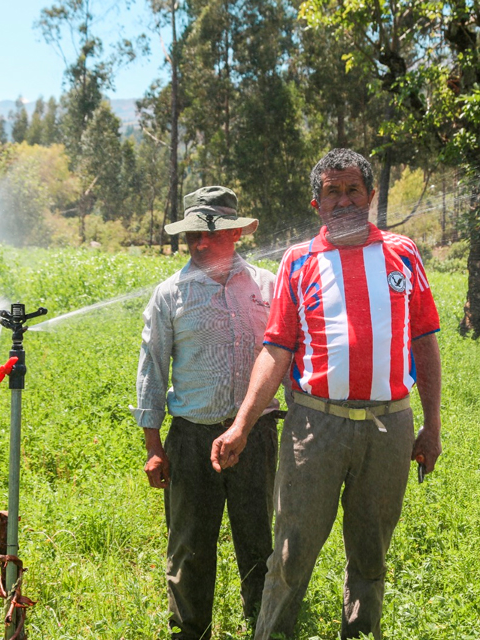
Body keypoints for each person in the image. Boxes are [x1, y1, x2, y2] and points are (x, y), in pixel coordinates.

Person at [210, 149, 443, 640]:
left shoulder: (403, 254)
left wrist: (432, 424)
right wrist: (241, 425)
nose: (343, 201)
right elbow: (275, 350)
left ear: (371, 196)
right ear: (316, 202)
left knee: (370, 558)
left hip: (389, 428)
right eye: (332, 192)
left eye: (353, 190)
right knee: (291, 556)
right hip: (314, 428)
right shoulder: (299, 261)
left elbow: (424, 341)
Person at [132, 186, 281, 640]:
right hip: (193, 438)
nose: (198, 243)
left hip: (255, 435)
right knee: (190, 545)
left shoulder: (266, 286)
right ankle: (189, 630)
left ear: (235, 234)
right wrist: (154, 448)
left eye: (209, 234)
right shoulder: (170, 294)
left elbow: (287, 358)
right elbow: (152, 369)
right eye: (192, 234)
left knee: (257, 539)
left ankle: (263, 624)